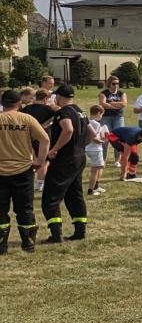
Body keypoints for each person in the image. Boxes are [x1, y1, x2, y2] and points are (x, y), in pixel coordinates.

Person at [0, 89, 49, 254]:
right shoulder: (27, 119)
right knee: (25, 208)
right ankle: (28, 244)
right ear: (19, 103)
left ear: (2, 102)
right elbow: (45, 139)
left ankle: (1, 245)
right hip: (24, 170)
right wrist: (40, 161)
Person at [41, 84, 89, 243]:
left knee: (51, 196)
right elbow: (91, 133)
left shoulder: (64, 112)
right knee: (75, 195)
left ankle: (56, 235)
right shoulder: (80, 111)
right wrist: (80, 146)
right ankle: (80, 231)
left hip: (65, 160)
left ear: (59, 97)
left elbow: (67, 130)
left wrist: (54, 149)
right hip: (79, 157)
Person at [85, 105, 110, 196]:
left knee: (99, 167)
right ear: (99, 113)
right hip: (95, 149)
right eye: (102, 114)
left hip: (88, 148)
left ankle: (96, 186)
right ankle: (91, 190)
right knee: (95, 170)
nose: (101, 117)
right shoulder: (96, 124)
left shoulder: (87, 121)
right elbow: (94, 137)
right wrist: (103, 141)